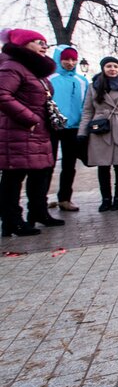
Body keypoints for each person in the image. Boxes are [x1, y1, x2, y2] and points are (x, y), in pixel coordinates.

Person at [0, 28, 60, 236]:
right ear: (22, 45)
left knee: (40, 173)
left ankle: (38, 212)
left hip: (38, 131)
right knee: (13, 177)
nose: (44, 46)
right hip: (19, 131)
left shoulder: (34, 70)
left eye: (45, 43)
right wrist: (30, 119)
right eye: (38, 42)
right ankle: (12, 221)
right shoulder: (12, 66)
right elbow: (2, 94)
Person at [77, 56, 118, 212]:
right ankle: (105, 199)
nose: (112, 69)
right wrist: (82, 132)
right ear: (103, 68)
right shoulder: (94, 86)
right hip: (100, 128)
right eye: (108, 66)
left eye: (115, 66)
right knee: (103, 165)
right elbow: (87, 110)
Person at [48, 45, 88, 211]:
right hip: (51, 126)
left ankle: (65, 198)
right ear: (59, 59)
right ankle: (40, 198)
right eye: (66, 59)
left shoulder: (82, 81)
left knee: (69, 165)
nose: (70, 63)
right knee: (46, 164)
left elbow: (86, 104)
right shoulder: (49, 79)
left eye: (73, 59)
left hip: (73, 127)